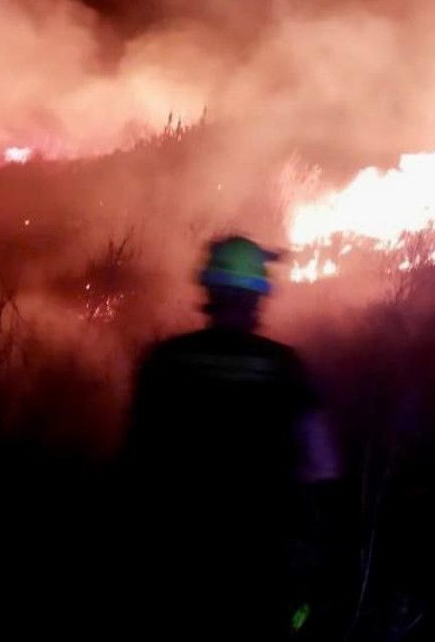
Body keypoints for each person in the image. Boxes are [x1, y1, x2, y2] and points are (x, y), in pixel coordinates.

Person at [122, 235, 340, 640]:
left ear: (208, 291)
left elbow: (134, 466)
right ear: (259, 298)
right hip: (262, 568)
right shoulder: (283, 368)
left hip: (176, 566)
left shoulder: (167, 362)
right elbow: (321, 470)